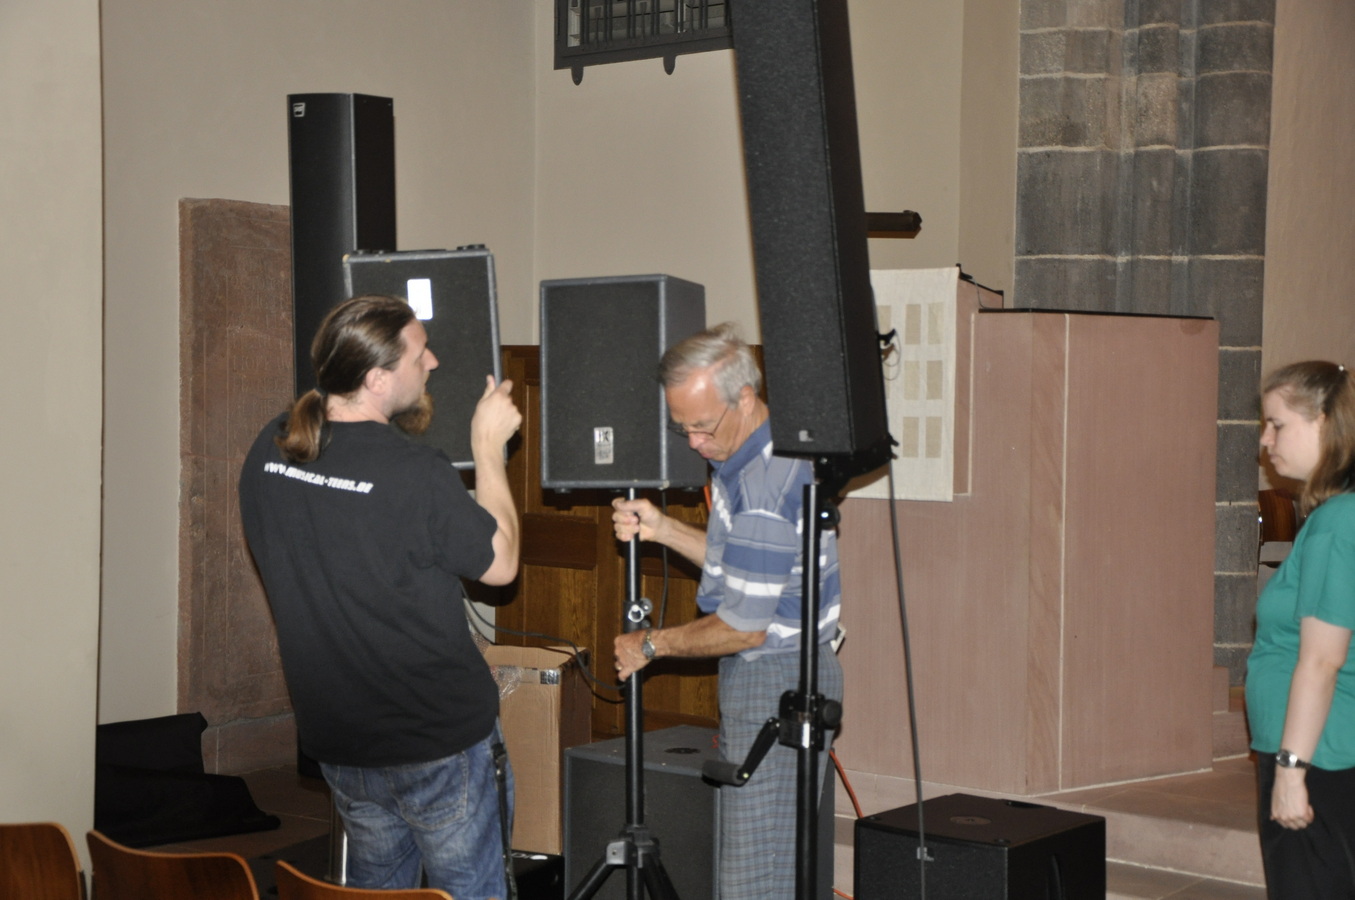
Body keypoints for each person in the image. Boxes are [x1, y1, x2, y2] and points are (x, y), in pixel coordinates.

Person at [238, 294, 522, 900]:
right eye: (420, 354)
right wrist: (488, 450)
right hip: (436, 743)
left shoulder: (271, 446)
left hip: (342, 740)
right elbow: (501, 566)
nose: (433, 362)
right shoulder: (415, 472)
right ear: (375, 378)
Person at [611, 321, 843, 900]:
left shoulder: (763, 485)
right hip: (781, 672)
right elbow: (738, 567)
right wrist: (664, 529)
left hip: (773, 676)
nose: (694, 442)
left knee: (754, 882)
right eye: (682, 427)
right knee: (767, 870)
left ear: (744, 397)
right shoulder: (754, 454)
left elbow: (743, 627)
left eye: (702, 426)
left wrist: (650, 645)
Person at [1247, 360, 1355, 898]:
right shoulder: (1334, 516)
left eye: (1277, 424)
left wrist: (1291, 771)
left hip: (1317, 755)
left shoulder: (1338, 522)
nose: (1266, 441)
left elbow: (1321, 659)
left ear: (1325, 422)